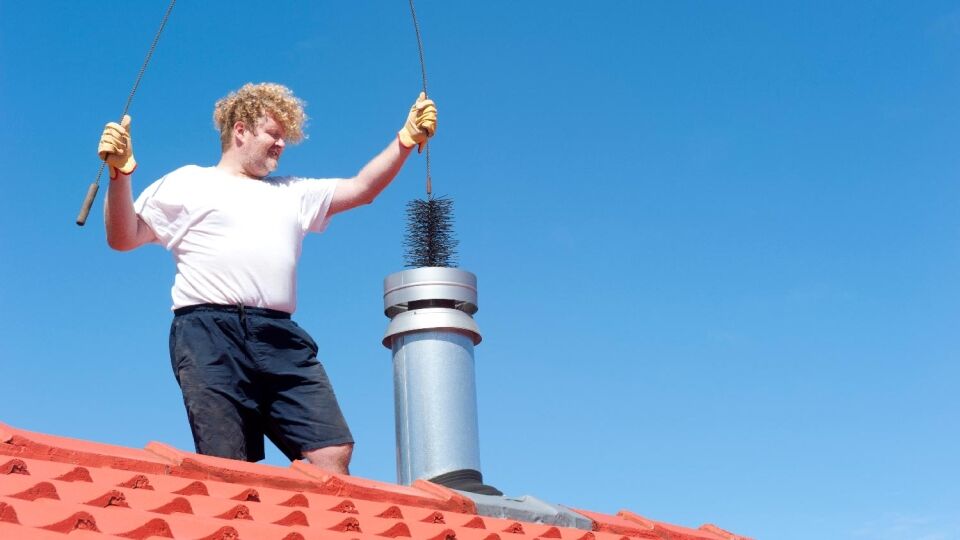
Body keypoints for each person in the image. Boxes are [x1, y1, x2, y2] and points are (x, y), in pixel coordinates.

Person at [98, 83, 437, 474]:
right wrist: (120, 175)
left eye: (284, 138)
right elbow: (123, 238)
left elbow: (362, 189)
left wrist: (405, 140)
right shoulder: (187, 182)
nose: (280, 145)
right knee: (228, 463)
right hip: (208, 334)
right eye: (273, 135)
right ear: (240, 130)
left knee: (331, 452)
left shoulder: (292, 191)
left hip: (279, 335)